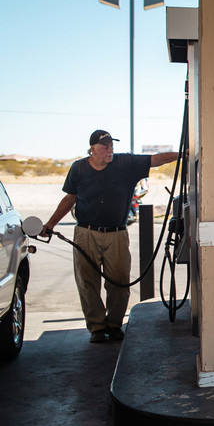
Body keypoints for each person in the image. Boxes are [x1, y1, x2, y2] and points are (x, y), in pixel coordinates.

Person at [42, 130, 179, 343]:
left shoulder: (125, 163)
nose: (110, 150)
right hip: (85, 233)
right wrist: (50, 223)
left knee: (119, 281)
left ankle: (114, 325)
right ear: (92, 149)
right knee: (87, 282)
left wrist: (184, 154)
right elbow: (70, 198)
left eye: (111, 146)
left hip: (116, 233)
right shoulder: (78, 168)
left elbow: (156, 159)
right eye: (105, 146)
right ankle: (96, 327)